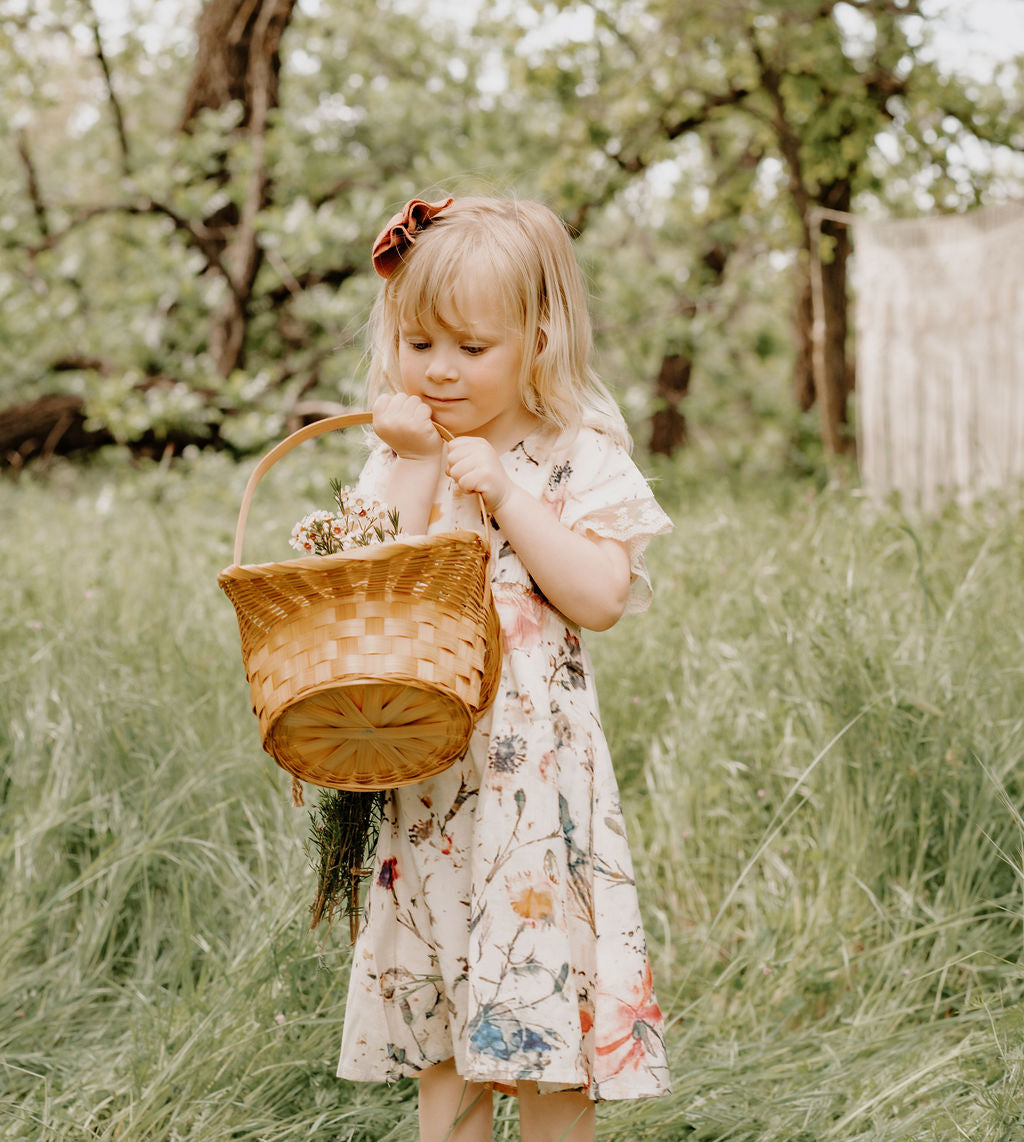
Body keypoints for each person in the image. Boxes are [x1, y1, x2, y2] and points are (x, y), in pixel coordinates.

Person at [337, 194, 673, 1142]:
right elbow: (377, 594)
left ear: (538, 336)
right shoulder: (398, 453)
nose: (439, 370)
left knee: (544, 1015)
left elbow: (601, 598)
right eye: (418, 344)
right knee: (445, 1032)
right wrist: (413, 469)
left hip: (539, 789)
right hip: (435, 781)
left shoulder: (577, 454)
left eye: (471, 348)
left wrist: (511, 497)